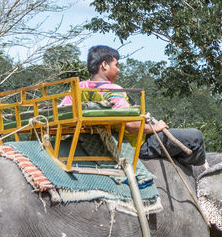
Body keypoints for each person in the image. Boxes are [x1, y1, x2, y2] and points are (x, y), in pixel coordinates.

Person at [63, 45, 206, 167]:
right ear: (105, 65)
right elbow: (131, 126)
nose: (118, 70)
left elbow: (62, 112)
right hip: (133, 144)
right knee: (195, 137)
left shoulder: (78, 88)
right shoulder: (112, 91)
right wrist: (155, 127)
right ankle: (190, 169)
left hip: (92, 141)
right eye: (116, 65)